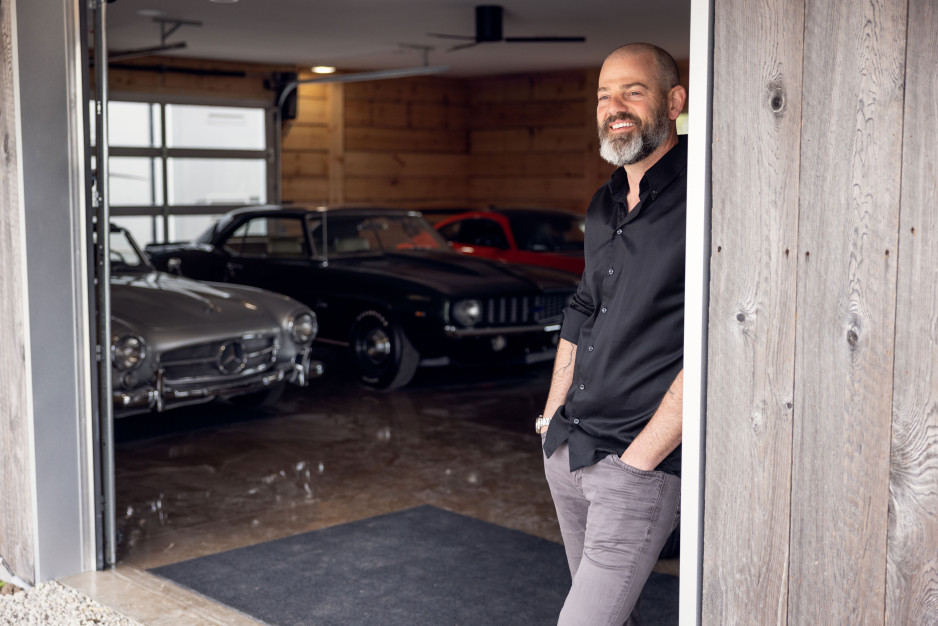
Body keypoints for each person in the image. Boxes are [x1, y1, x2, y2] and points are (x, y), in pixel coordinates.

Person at [538, 42, 687, 625]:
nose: (614, 106)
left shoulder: (709, 193)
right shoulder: (603, 205)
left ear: (673, 102)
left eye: (633, 91)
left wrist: (640, 461)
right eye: (604, 95)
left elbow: (728, 334)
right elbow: (583, 308)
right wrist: (551, 417)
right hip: (570, 449)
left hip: (637, 463)